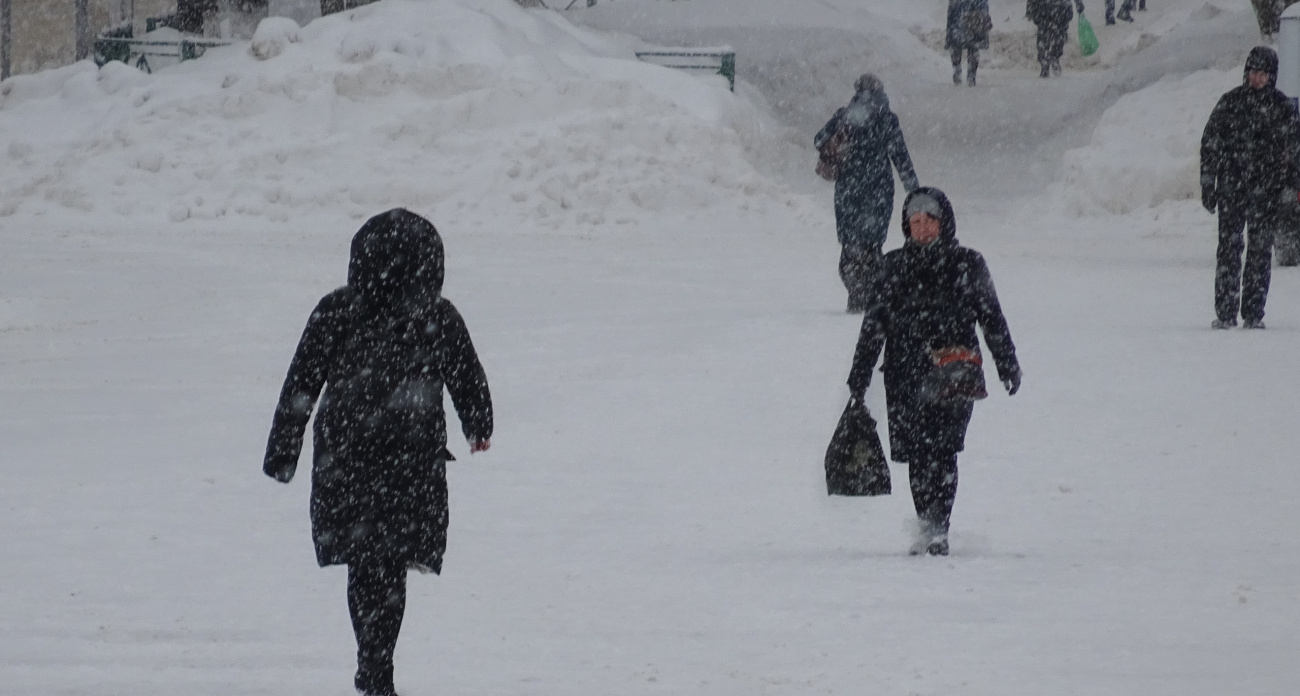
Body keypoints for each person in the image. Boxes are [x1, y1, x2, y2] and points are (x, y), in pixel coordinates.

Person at [262, 208, 494, 696]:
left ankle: (373, 662)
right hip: (409, 459)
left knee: (368, 565)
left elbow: (301, 381)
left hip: (347, 457)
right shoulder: (436, 316)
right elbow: (467, 374)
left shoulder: (337, 310)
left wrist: (284, 450)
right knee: (387, 566)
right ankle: (377, 664)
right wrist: (478, 423)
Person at [845, 188, 1020, 556]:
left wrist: (1007, 362)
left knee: (942, 450)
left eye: (930, 220)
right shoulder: (893, 266)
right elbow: (873, 326)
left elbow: (991, 316)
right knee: (919, 455)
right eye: (915, 221)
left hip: (954, 372)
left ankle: (939, 527)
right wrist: (859, 377)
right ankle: (927, 525)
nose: (923, 228)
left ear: (945, 223)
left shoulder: (967, 263)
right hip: (905, 375)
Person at [1200, 47, 1300, 330]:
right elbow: (1210, 144)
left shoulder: (1282, 108)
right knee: (1228, 250)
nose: (1257, 79)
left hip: (1267, 192)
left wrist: (1291, 188)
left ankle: (1254, 313)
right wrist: (1208, 183)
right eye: (1253, 73)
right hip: (1231, 189)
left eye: (1263, 74)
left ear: (1272, 77)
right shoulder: (1230, 103)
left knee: (1260, 252)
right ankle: (1225, 312)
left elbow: (1294, 152)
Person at [814, 74, 920, 312]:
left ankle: (855, 295)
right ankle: (872, 295)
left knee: (851, 244)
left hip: (848, 189)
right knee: (872, 246)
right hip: (878, 190)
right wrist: (913, 189)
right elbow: (900, 155)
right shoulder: (887, 119)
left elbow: (818, 140)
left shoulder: (844, 115)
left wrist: (839, 138)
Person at [1027, 0, 1082, 77]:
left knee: (1044, 36)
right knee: (1058, 35)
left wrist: (1030, 8)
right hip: (1060, 7)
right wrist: (1079, 3)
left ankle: (1046, 63)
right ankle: (1054, 58)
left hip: (1045, 8)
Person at [945, 0, 992, 87]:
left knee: (957, 38)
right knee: (974, 40)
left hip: (959, 6)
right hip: (974, 6)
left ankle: (957, 69)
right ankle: (970, 75)